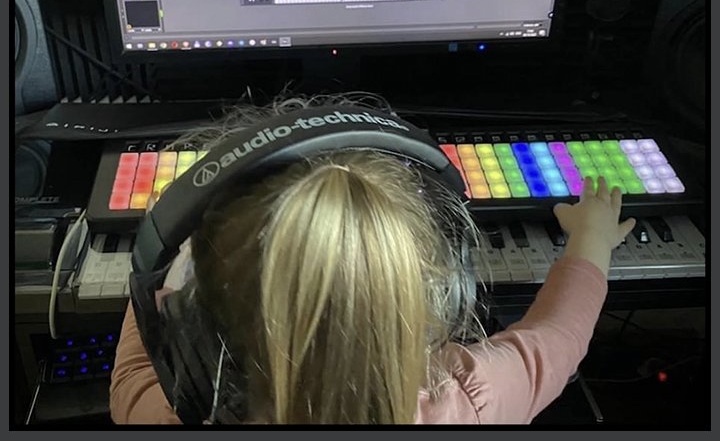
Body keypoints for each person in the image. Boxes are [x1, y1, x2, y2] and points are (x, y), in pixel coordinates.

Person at [109, 97, 636, 425]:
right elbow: (559, 337)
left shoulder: (166, 414)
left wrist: (171, 241)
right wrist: (591, 240)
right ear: (437, 295)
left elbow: (133, 369)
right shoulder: (472, 402)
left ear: (195, 331)